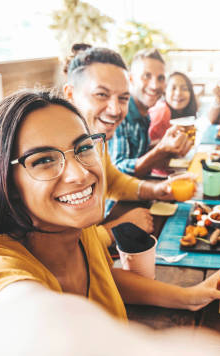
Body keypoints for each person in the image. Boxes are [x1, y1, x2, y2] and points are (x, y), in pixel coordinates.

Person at [0, 90, 220, 356]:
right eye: (44, 160)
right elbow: (24, 321)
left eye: (84, 148)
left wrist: (190, 296)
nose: (80, 175)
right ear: (8, 185)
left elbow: (106, 278)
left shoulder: (80, 233)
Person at [63, 44, 190, 236]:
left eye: (123, 98)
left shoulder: (97, 139)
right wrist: (115, 229)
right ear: (70, 95)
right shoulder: (57, 155)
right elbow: (62, 246)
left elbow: (113, 181)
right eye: (101, 95)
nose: (115, 110)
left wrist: (156, 189)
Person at [110, 48, 193, 177]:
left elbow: (140, 152)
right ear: (130, 79)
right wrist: (161, 149)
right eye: (146, 76)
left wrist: (168, 144)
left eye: (160, 78)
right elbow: (117, 172)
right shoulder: (119, 114)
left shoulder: (145, 113)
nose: (155, 85)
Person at [148, 71, 198, 145]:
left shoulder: (185, 116)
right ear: (165, 92)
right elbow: (147, 146)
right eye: (173, 88)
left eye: (184, 89)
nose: (178, 93)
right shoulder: (162, 111)